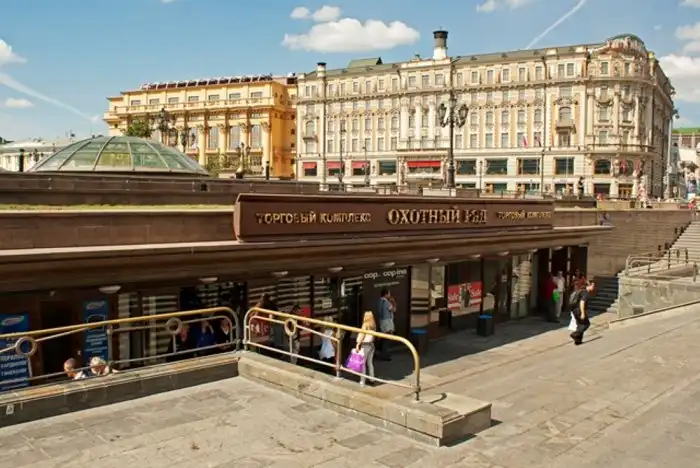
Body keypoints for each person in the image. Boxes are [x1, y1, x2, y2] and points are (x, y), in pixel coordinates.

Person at [355, 311, 376, 386]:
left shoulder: (365, 324)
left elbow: (362, 335)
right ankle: (372, 379)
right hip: (372, 345)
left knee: (363, 363)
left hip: (365, 345)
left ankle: (362, 380)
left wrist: (358, 344)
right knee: (370, 363)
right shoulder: (373, 325)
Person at [571, 281, 595, 345]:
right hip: (579, 310)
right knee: (586, 324)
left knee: (580, 325)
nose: (593, 287)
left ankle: (578, 341)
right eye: (593, 286)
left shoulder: (581, 291)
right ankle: (574, 334)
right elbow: (582, 303)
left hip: (575, 310)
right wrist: (582, 313)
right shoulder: (585, 293)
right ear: (589, 286)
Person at [375, 288, 394, 361]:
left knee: (383, 338)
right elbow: (393, 309)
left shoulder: (379, 301)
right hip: (387, 322)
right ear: (386, 294)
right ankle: (385, 355)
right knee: (388, 338)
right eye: (389, 293)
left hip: (381, 322)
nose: (390, 295)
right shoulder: (386, 302)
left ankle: (382, 352)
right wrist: (393, 302)